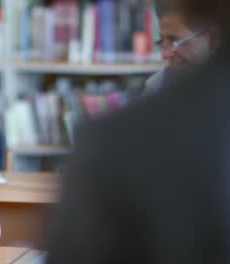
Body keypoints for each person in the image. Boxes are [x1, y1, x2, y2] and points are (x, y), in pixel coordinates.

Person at [48, 0, 230, 262]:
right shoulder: (155, 90)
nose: (166, 53)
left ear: (211, 35)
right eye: (162, 42)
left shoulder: (110, 139)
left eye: (175, 41)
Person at [143, 0, 220, 95]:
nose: (165, 55)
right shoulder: (158, 87)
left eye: (174, 41)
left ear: (212, 37)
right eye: (162, 42)